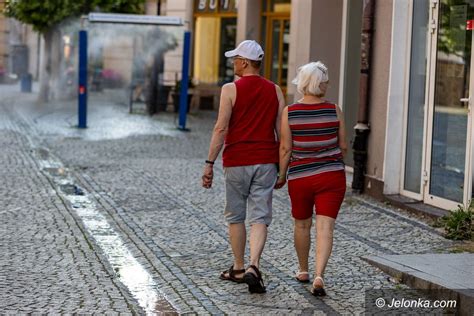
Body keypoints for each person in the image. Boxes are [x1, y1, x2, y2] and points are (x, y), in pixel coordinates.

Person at [201, 40, 285, 294]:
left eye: (235, 58)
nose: (233, 62)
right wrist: (283, 167)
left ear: (245, 62)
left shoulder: (230, 89)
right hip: (266, 161)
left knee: (236, 216)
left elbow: (221, 128)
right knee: (260, 217)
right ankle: (253, 266)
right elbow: (282, 132)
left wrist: (209, 163)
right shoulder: (275, 90)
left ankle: (238, 267)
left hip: (237, 160)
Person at [275, 61, 347, 296]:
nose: (328, 85)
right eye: (326, 81)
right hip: (332, 177)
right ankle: (319, 275)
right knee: (325, 228)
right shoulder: (335, 110)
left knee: (302, 224)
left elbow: (285, 148)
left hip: (300, 177)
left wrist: (282, 175)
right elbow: (343, 145)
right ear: (320, 84)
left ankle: (303, 270)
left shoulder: (290, 112)